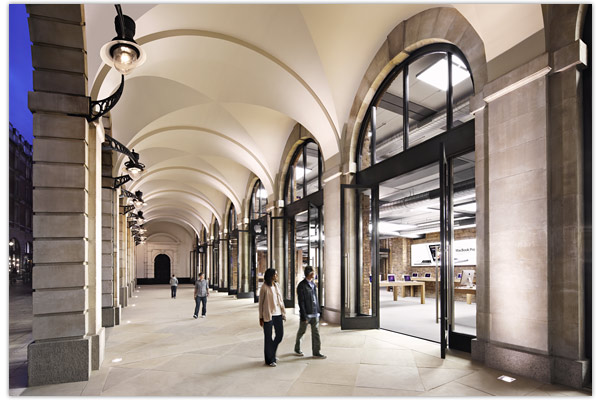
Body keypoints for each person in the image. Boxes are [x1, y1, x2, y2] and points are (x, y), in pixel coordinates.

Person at [294, 266, 326, 359]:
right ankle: (297, 348)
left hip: (315, 313)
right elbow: (301, 302)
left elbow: (315, 298)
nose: (314, 273)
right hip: (307, 314)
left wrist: (319, 310)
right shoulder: (301, 286)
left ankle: (316, 352)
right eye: (313, 272)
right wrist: (303, 316)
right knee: (302, 331)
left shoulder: (313, 284)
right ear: (309, 273)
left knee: (316, 333)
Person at [258, 268, 286, 367]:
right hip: (268, 316)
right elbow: (261, 303)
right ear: (271, 276)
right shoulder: (264, 287)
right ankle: (270, 360)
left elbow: (280, 300)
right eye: (275, 274)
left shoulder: (277, 286)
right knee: (268, 338)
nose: (277, 276)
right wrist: (260, 317)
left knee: (280, 335)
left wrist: (283, 312)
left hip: (278, 314)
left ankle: (271, 353)